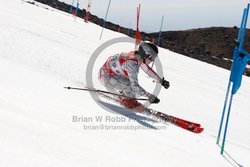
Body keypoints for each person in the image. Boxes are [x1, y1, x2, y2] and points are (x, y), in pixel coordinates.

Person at [98, 41, 170, 111]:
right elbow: (134, 87)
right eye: (151, 58)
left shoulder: (137, 56)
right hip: (105, 77)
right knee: (131, 85)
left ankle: (126, 97)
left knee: (131, 80)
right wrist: (150, 97)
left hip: (110, 75)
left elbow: (147, 70)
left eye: (153, 58)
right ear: (145, 54)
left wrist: (161, 81)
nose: (151, 61)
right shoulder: (132, 64)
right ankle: (128, 102)